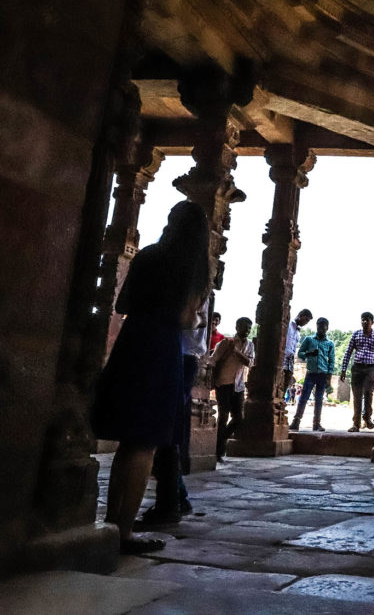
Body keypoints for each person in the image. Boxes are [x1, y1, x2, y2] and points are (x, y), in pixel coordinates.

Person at [92, 200, 209, 554]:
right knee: (145, 442)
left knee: (129, 439)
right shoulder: (192, 265)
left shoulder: (148, 256)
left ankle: (113, 523)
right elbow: (188, 319)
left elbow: (122, 305)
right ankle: (124, 530)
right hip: (161, 347)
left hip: (132, 342)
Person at [137, 297, 209, 527]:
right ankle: (176, 497)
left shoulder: (193, 283)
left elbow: (196, 320)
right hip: (180, 354)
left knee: (164, 427)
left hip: (181, 355)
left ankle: (170, 502)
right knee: (166, 427)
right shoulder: (195, 281)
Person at [211, 317, 255, 462]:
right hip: (224, 382)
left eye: (249, 328)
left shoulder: (249, 345)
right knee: (223, 417)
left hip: (238, 385)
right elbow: (214, 359)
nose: (247, 331)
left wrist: (236, 352)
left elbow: (250, 362)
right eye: (244, 327)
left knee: (238, 419)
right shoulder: (225, 343)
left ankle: (220, 441)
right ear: (237, 327)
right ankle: (218, 451)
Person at [340, 312, 374, 432]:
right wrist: (343, 369)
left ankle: (367, 418)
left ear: (372, 322)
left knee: (368, 394)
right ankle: (356, 423)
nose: (365, 322)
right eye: (363, 320)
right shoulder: (356, 334)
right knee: (357, 396)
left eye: (367, 320)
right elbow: (348, 352)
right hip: (357, 368)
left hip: (371, 368)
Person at [290, 317, 334, 432]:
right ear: (316, 326)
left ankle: (316, 424)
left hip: (322, 374)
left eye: (324, 327)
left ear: (327, 328)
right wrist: (309, 353)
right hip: (311, 373)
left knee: (319, 399)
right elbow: (300, 353)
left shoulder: (330, 343)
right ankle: (296, 421)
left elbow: (331, 361)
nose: (322, 329)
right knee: (303, 398)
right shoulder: (309, 340)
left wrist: (329, 377)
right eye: (320, 326)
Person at [283, 309, 313, 407]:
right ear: (301, 315)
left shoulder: (298, 332)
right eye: (306, 320)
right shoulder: (288, 325)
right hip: (283, 356)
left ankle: (281, 399)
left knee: (287, 380)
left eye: (308, 321)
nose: (305, 323)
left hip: (290, 359)